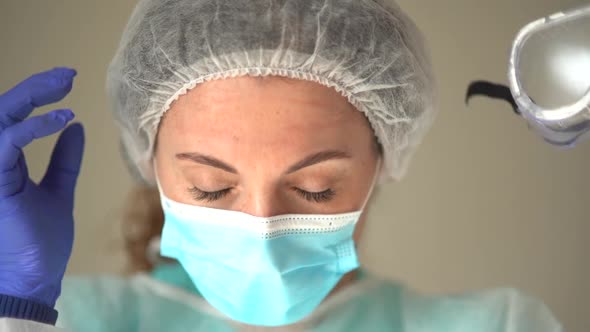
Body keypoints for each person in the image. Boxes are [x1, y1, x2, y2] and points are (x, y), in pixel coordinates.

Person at [0, 0, 564, 331]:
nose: (263, 232)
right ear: (150, 164)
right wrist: (18, 311)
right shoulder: (69, 319)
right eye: (211, 189)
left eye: (316, 190)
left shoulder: (498, 326)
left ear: (382, 163)